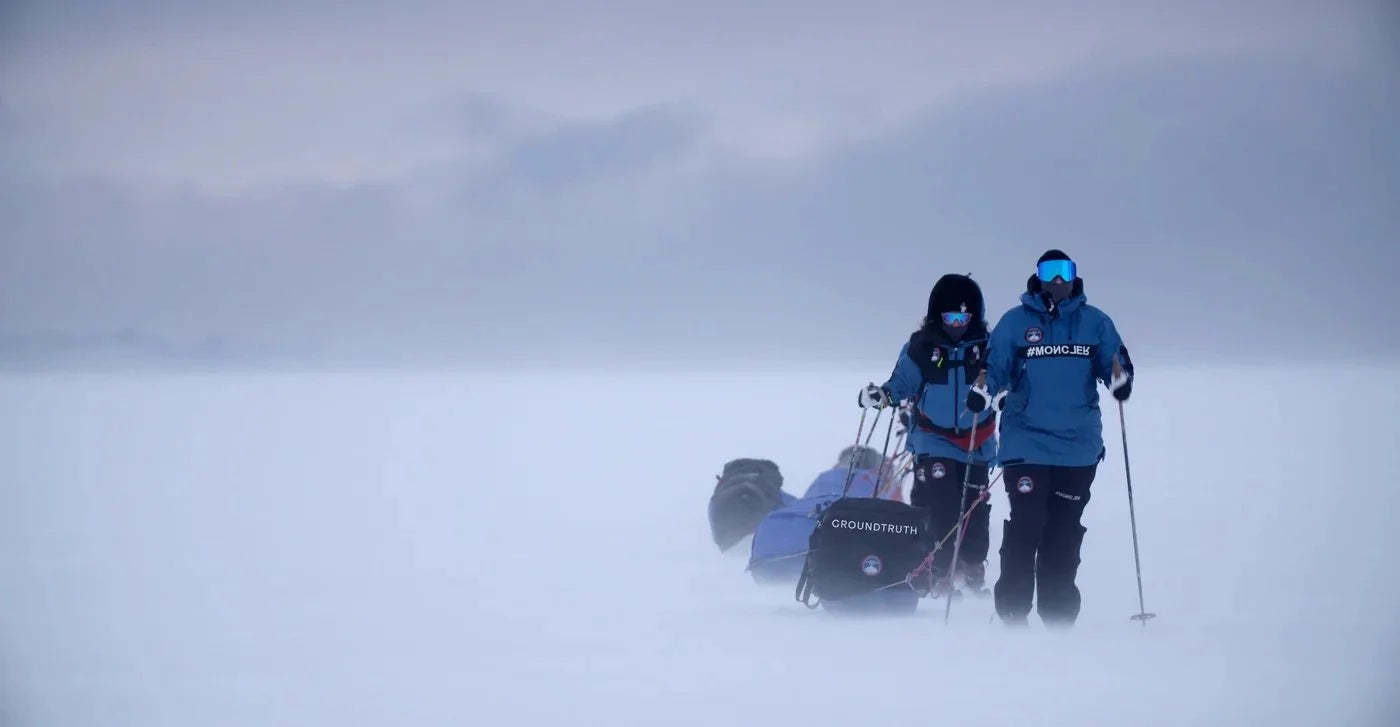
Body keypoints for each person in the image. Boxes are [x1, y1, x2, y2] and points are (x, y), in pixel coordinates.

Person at [967, 249, 1133, 628]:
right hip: (1026, 442)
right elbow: (993, 368)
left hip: (1077, 446)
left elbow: (1115, 361)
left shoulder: (1095, 323)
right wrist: (983, 390)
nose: (1058, 280)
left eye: (1065, 272)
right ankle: (1012, 612)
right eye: (1049, 271)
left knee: (1063, 529)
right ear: (1037, 277)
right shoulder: (1015, 322)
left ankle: (1059, 616)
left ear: (1075, 277)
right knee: (1027, 522)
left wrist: (1120, 381)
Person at [858, 273, 998, 597]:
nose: (958, 323)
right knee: (942, 504)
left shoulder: (988, 348)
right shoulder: (921, 348)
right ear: (937, 315)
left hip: (978, 437)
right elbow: (901, 385)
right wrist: (882, 396)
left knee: (974, 507)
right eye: (951, 316)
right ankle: (937, 572)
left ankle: (972, 565)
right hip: (934, 439)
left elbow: (1003, 382)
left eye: (964, 317)